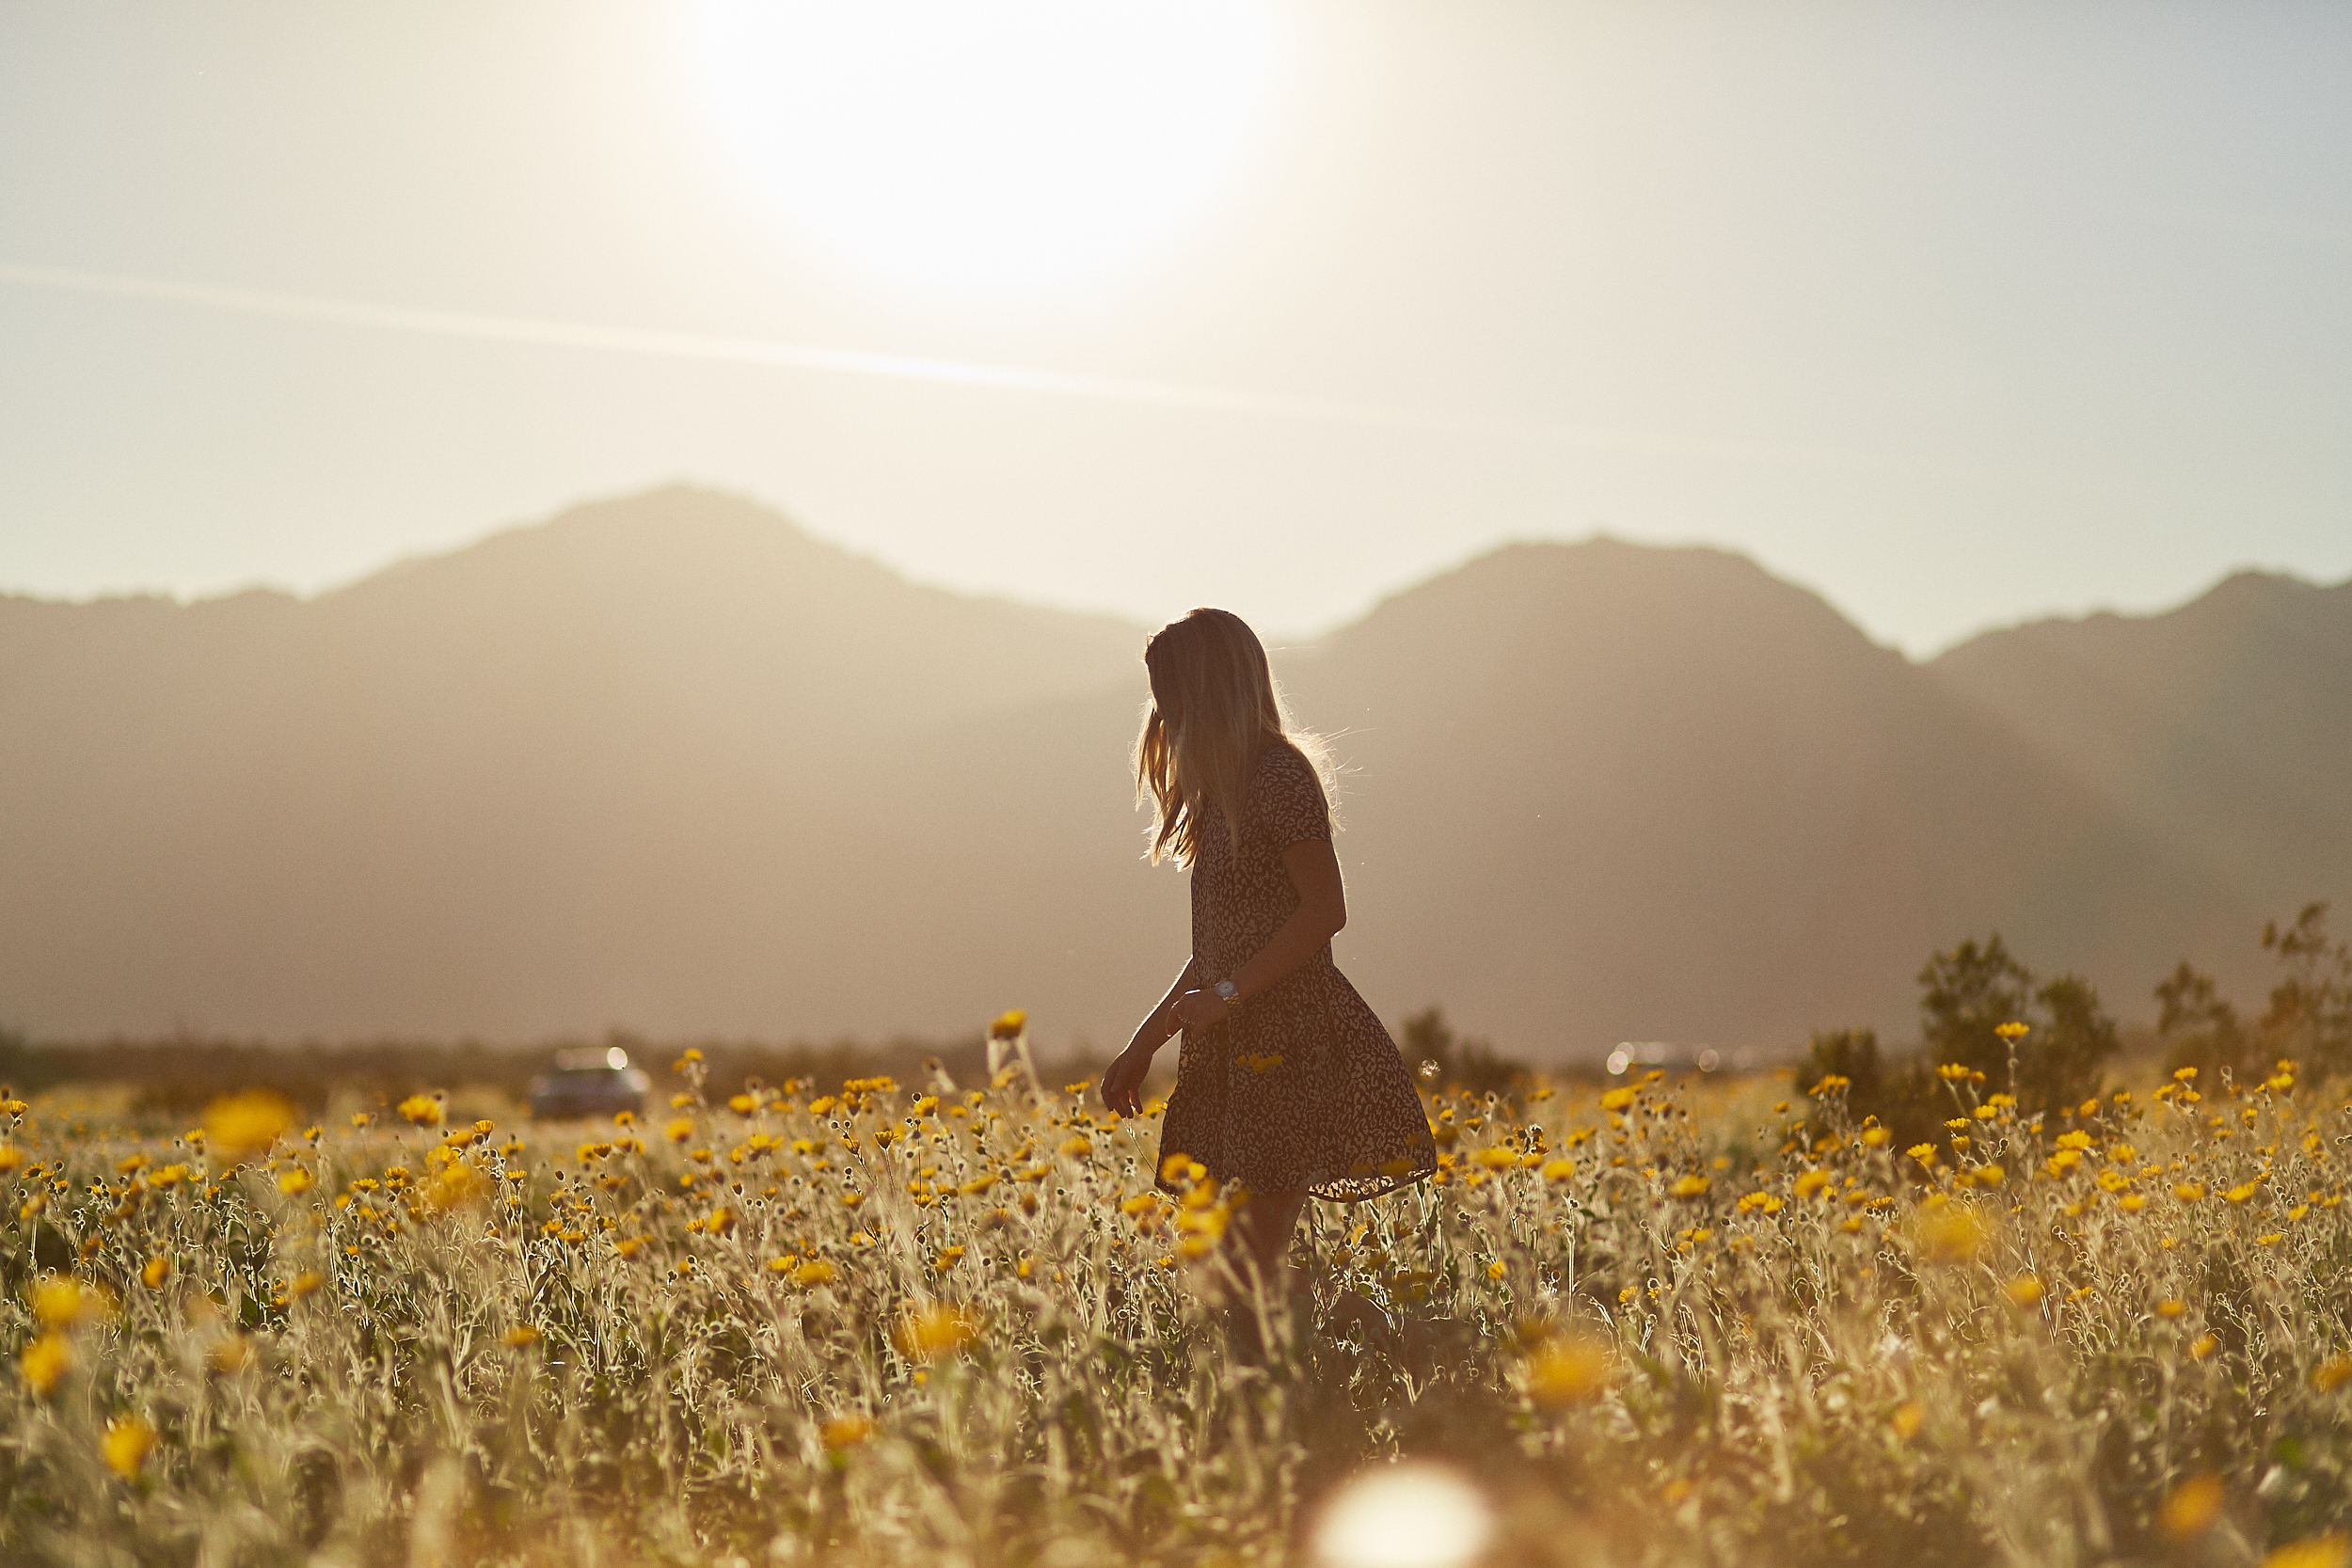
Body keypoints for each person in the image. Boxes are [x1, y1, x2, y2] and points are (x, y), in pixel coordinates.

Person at [1101, 608, 1437, 1294]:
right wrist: (1144, 1044)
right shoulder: (1223, 793)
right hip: (1236, 1045)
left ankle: (1358, 1360)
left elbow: (1324, 911)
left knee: (1248, 1264)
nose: (1163, 715)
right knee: (1242, 1264)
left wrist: (1227, 997)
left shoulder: (1280, 779)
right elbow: (1217, 947)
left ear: (1207, 689)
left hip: (1288, 1041)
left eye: (1171, 695)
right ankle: (1329, 1362)